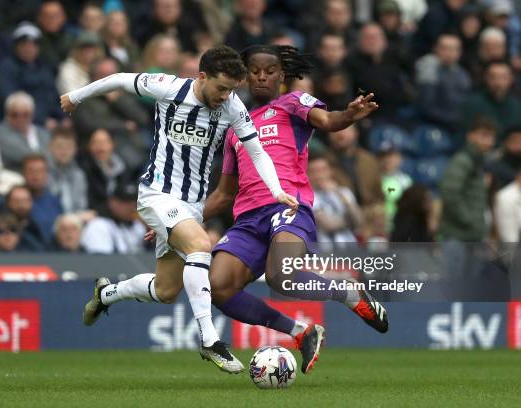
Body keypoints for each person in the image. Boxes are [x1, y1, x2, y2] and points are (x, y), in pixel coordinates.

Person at [61, 45, 298, 373]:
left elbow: (257, 153)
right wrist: (76, 96)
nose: (225, 96)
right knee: (201, 245)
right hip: (156, 195)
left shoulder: (232, 106)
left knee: (166, 290)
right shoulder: (168, 88)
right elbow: (117, 79)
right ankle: (209, 338)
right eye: (221, 88)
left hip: (191, 205)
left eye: (232, 89)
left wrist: (277, 191)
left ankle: (107, 294)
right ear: (202, 77)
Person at [199, 45, 387, 375]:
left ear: (281, 76)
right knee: (218, 286)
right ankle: (301, 332)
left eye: (269, 70)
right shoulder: (233, 127)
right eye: (254, 70)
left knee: (280, 275)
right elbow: (224, 193)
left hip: (288, 206)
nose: (261, 76)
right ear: (244, 76)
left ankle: (347, 293)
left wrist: (348, 115)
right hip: (248, 219)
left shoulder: (292, 103)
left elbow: (328, 120)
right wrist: (183, 219)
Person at [81, 180, 147, 254]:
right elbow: (101, 262)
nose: (131, 206)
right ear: (112, 202)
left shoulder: (138, 226)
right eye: (125, 202)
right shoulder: (98, 226)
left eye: (134, 201)